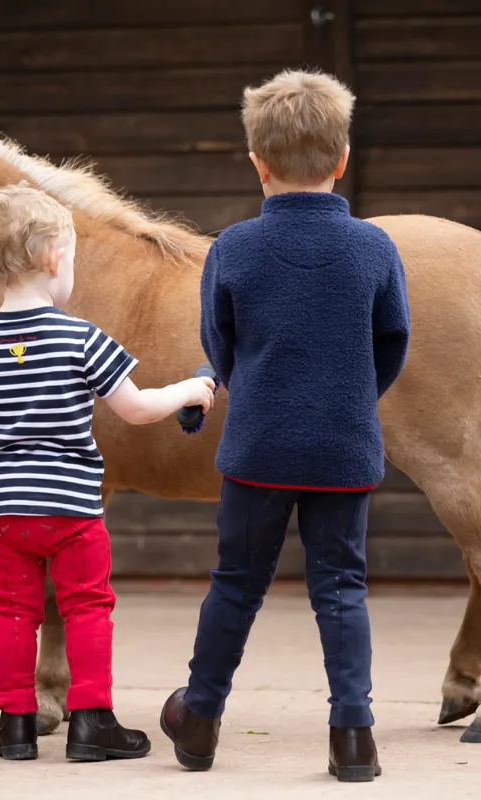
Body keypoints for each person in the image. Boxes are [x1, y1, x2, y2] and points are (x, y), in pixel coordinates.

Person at [160, 70, 410, 782]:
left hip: (258, 448)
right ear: (343, 158)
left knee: (236, 583)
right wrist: (349, 399)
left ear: (257, 162)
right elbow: (392, 342)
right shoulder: (374, 249)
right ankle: (354, 738)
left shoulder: (233, 248)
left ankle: (199, 720)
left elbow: (220, 344)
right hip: (344, 447)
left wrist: (254, 390)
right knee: (342, 589)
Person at [0, 184, 216, 762]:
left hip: (4, 512)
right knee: (87, 607)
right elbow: (136, 409)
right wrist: (189, 389)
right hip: (72, 511)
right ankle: (92, 722)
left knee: (13, 611)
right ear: (53, 259)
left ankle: (14, 725)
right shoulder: (80, 337)